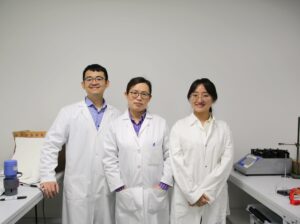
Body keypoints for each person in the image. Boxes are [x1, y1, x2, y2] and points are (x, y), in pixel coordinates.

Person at [40, 64, 120, 224]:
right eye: (89, 79)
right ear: (83, 84)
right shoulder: (68, 112)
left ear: (107, 83)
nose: (94, 82)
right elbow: (50, 144)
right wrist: (47, 176)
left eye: (99, 78)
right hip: (78, 185)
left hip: (106, 185)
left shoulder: (117, 115)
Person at [103, 77, 173, 224]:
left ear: (150, 98)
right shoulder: (115, 126)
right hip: (127, 193)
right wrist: (119, 187)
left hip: (154, 194)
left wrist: (164, 183)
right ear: (126, 94)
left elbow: (170, 155)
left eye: (144, 94)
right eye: (134, 93)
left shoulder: (160, 123)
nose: (139, 98)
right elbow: (109, 159)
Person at [170, 78, 234, 224]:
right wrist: (194, 195)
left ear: (213, 98)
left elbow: (226, 164)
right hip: (186, 197)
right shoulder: (179, 127)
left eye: (205, 95)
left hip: (214, 196)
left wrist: (207, 194)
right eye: (195, 95)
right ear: (189, 98)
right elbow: (177, 165)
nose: (199, 99)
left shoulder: (224, 128)